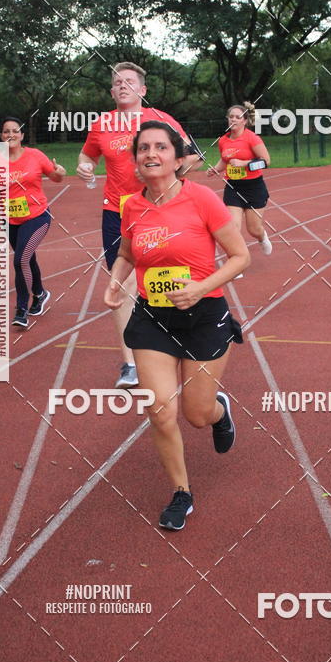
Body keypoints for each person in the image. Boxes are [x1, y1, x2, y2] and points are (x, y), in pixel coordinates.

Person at [104, 121, 250, 530]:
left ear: (177, 157)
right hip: (153, 318)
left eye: (160, 147)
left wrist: (200, 287)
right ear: (135, 160)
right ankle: (182, 493)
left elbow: (240, 257)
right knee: (160, 411)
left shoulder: (202, 199)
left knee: (196, 414)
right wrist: (115, 282)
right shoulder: (131, 205)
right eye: (143, 148)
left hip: (203, 316)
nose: (151, 154)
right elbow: (129, 254)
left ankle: (220, 412)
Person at [76, 62, 201, 387]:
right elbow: (87, 155)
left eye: (129, 82)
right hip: (117, 213)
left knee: (167, 279)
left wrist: (163, 177)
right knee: (122, 285)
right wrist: (85, 167)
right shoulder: (102, 124)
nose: (122, 86)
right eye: (117, 82)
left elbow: (193, 156)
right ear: (111, 90)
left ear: (142, 90)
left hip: (160, 211)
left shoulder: (160, 121)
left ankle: (174, 344)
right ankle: (130, 363)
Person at [1, 118, 65, 328]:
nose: (10, 135)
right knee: (27, 259)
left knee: (20, 260)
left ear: (21, 135)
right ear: (1, 136)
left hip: (37, 216)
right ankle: (40, 293)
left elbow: (55, 177)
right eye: (6, 132)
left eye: (14, 131)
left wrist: (60, 172)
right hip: (11, 219)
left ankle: (21, 310)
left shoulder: (35, 155)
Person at [207, 102, 272, 256]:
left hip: (254, 187)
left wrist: (244, 164)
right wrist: (216, 169)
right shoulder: (223, 140)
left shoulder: (252, 138)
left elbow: (266, 161)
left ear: (244, 121)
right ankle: (236, 260)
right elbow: (225, 159)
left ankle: (262, 237)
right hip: (233, 187)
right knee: (233, 227)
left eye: (237, 117)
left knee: (253, 229)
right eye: (231, 117)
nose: (233, 120)